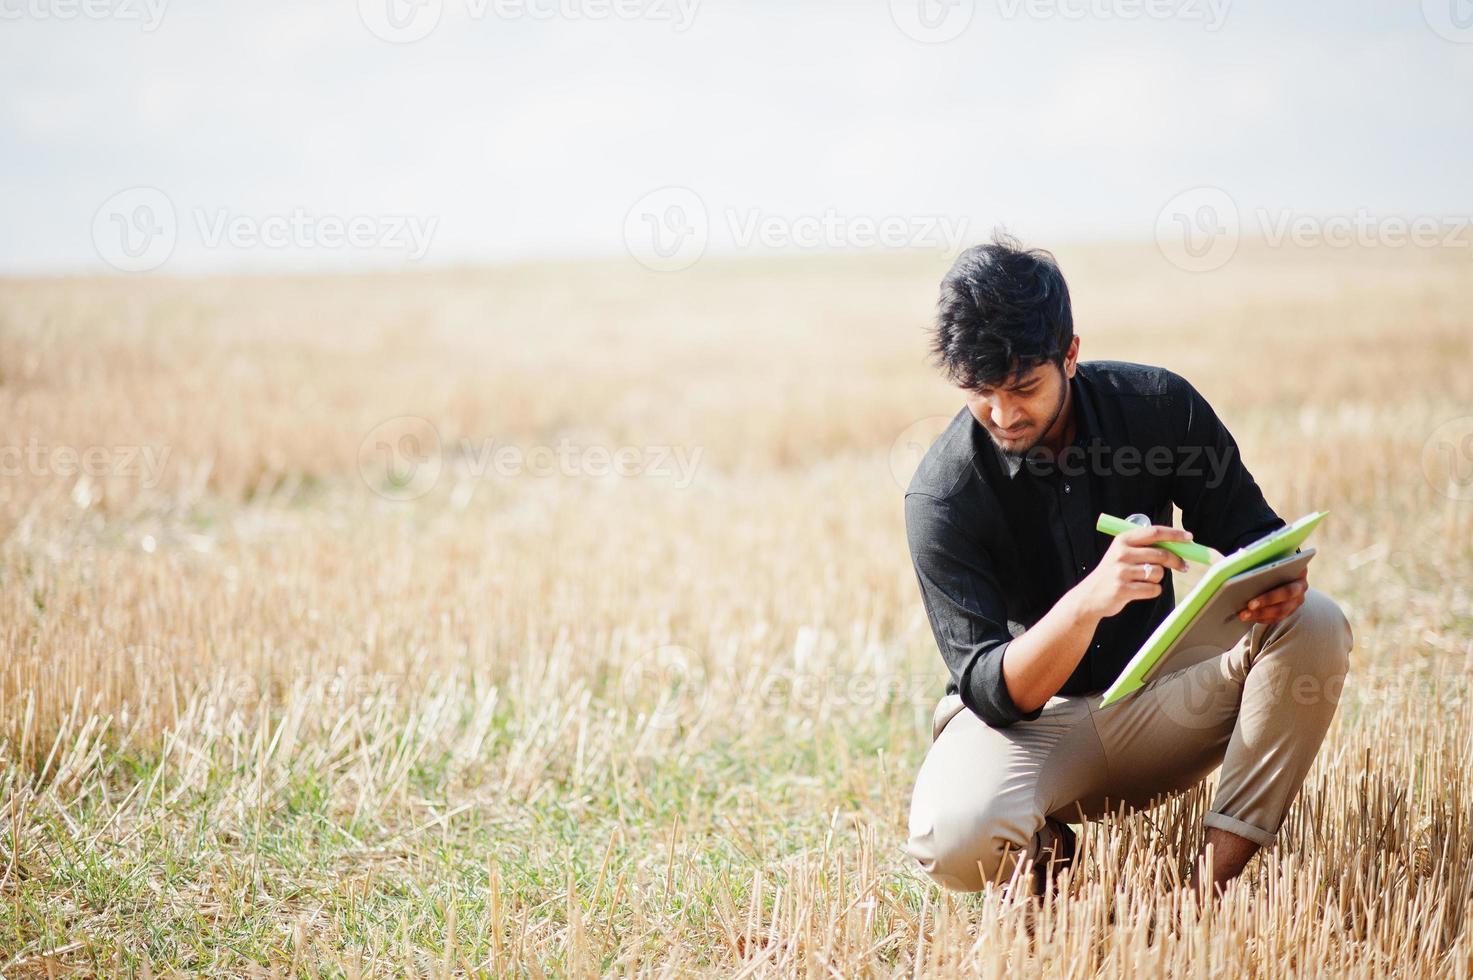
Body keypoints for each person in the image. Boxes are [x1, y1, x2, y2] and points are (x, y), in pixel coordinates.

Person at [902, 233, 1354, 897]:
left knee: (1314, 621)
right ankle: (1041, 847)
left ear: (1071, 354)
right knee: (953, 839)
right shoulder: (942, 493)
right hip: (1026, 730)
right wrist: (1090, 600)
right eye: (979, 392)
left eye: (1023, 387)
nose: (1001, 413)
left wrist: (1274, 581)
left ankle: (1204, 894)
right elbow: (996, 693)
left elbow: (1252, 536)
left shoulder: (1158, 408)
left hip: (1160, 706)